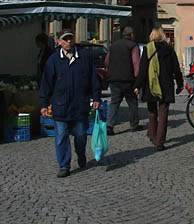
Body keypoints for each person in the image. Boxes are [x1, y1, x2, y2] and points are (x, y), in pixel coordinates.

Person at [39, 30, 101, 178]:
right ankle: (64, 165)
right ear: (59, 42)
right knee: (61, 137)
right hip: (60, 106)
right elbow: (46, 83)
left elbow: (94, 79)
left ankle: (80, 154)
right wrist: (43, 103)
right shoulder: (53, 60)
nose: (68, 41)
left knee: (80, 135)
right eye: (64, 39)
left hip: (80, 105)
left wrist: (96, 98)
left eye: (70, 38)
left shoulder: (84, 57)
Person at [134, 27, 183, 151]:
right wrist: (180, 83)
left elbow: (143, 69)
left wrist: (137, 86)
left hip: (151, 84)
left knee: (152, 112)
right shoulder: (169, 48)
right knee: (163, 114)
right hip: (166, 84)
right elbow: (176, 68)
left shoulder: (147, 48)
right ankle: (159, 142)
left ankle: (152, 135)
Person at [104, 26, 142, 136]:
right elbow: (136, 63)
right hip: (128, 79)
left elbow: (106, 61)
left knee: (114, 102)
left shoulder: (113, 45)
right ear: (131, 35)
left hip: (114, 79)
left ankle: (110, 126)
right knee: (132, 102)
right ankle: (134, 124)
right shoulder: (133, 46)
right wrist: (137, 80)